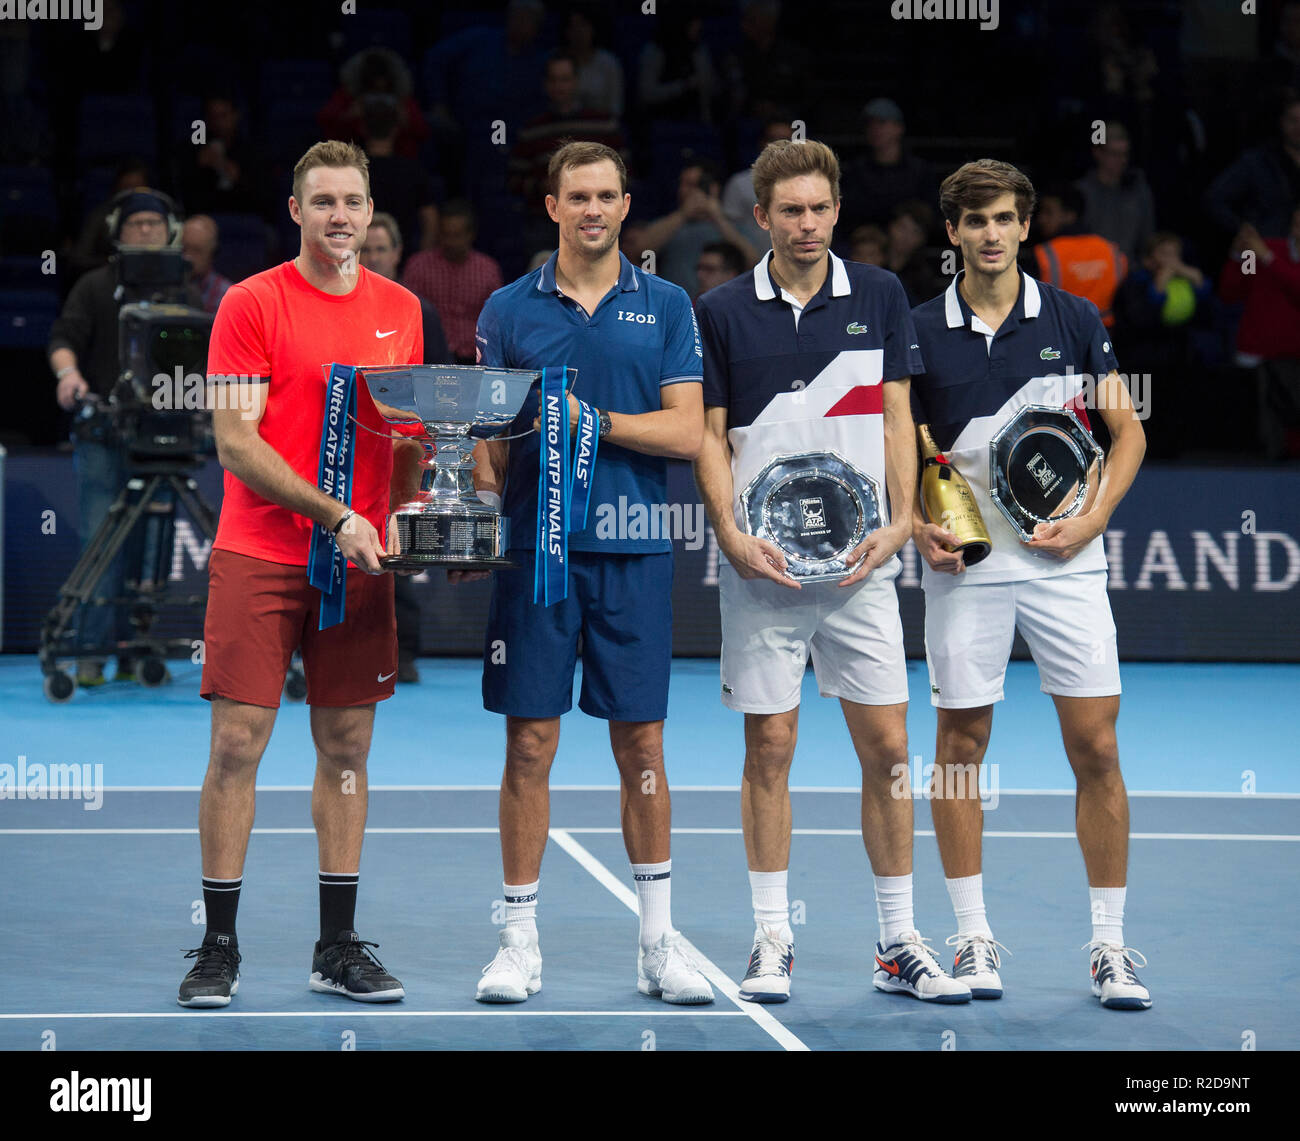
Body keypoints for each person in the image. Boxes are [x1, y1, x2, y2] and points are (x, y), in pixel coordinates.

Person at [693, 138, 967, 1006]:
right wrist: (731, 536)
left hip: (862, 568)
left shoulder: (881, 295)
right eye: (790, 212)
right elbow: (707, 431)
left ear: (837, 211)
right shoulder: (722, 309)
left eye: (820, 209)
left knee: (888, 748)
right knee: (769, 747)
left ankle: (897, 940)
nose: (807, 225)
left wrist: (899, 521)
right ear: (761, 216)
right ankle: (773, 935)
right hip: (762, 570)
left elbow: (897, 416)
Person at [177, 141, 423, 1008]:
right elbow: (236, 442)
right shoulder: (250, 304)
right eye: (322, 202)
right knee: (238, 744)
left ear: (369, 211)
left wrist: (404, 514)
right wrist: (335, 513)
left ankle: (337, 944)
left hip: (359, 560)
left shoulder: (402, 308)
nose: (339, 217)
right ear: (296, 211)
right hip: (262, 551)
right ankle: (216, 946)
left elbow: (402, 435)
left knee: (347, 747)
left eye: (352, 201)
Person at [469, 141, 712, 1006]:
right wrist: (477, 522)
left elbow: (687, 434)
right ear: (552, 208)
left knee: (640, 746)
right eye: (578, 196)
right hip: (537, 557)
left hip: (635, 551)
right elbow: (488, 446)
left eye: (607, 195)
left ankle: (657, 947)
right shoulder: (505, 309)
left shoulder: (670, 305)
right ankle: (518, 943)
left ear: (625, 204)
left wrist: (591, 421)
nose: (593, 210)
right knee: (529, 743)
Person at [909, 159, 1149, 1010]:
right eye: (975, 221)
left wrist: (1092, 521)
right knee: (961, 752)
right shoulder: (916, 331)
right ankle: (972, 937)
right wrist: (919, 523)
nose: (991, 234)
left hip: (1065, 559)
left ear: (1025, 227)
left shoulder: (1076, 318)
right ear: (953, 234)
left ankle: (1111, 948)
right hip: (970, 565)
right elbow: (903, 450)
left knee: (1097, 747)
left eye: (1006, 219)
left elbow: (1127, 433)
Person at [49, 189, 200, 686]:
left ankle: (138, 650)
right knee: (101, 539)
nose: (145, 232)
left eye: (153, 225)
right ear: (117, 231)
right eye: (135, 224)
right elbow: (64, 339)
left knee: (149, 545)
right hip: (106, 435)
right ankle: (90, 651)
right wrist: (69, 377)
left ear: (170, 232)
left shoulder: (185, 293)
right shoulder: (95, 286)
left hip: (165, 434)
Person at [360, 210, 451, 683]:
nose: (373, 256)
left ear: (397, 254)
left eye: (381, 249)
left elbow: (440, 383)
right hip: (352, 449)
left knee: (401, 543)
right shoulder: (345, 308)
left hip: (405, 448)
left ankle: (405, 649)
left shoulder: (420, 310)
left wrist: (426, 445)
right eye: (366, 249)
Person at [1219, 208, 1300, 460]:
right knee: (1255, 431)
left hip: (1293, 356)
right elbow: (1233, 290)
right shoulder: (1269, 249)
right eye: (1296, 224)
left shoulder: (1269, 253)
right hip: (1255, 351)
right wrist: (1239, 254)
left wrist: (1267, 257)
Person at [402, 201, 503, 364]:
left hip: (475, 358)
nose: (451, 242)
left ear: (471, 234)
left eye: (457, 235)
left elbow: (497, 319)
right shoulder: (418, 266)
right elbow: (407, 316)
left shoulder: (487, 269)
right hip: (430, 357)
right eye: (446, 234)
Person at [642, 159, 759, 297]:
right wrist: (683, 214)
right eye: (682, 184)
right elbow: (642, 249)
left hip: (720, 309)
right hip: (676, 308)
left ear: (713, 188)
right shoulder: (670, 224)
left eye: (692, 185)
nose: (684, 190)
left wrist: (718, 218)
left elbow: (753, 262)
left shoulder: (735, 227)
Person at [1032, 184, 1128, 329]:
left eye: (1048, 212)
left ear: (1069, 216)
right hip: (1105, 337)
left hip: (1061, 337)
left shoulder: (1043, 254)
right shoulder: (1111, 251)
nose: (1041, 219)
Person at [1075, 122, 1155, 262]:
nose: (1122, 160)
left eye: (1125, 154)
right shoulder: (1082, 192)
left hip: (1131, 273)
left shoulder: (1138, 190)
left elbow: (1147, 238)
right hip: (1092, 272)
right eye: (1115, 154)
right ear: (1098, 153)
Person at [182, 215, 233, 315]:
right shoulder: (168, 288)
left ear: (213, 253)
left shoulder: (226, 295)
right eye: (185, 248)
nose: (188, 257)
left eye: (197, 250)